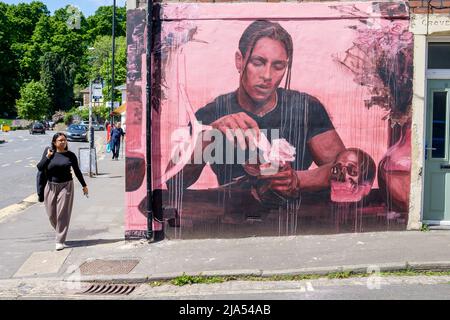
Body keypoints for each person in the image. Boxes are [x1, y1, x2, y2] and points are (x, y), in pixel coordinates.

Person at [167, 19, 346, 200]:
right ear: (240, 60)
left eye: (278, 66)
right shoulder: (212, 113)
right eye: (258, 62)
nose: (267, 76)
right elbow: (172, 181)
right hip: (231, 221)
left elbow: (346, 168)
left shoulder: (306, 108)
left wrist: (297, 179)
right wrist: (207, 138)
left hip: (295, 220)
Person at [37, 132, 88, 250]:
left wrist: (84, 185)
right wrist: (48, 157)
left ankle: (60, 240)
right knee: (51, 214)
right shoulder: (48, 152)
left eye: (65, 140)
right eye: (60, 140)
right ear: (54, 142)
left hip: (66, 186)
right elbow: (40, 167)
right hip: (50, 186)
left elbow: (77, 171)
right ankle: (60, 230)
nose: (63, 142)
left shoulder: (70, 155)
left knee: (62, 213)